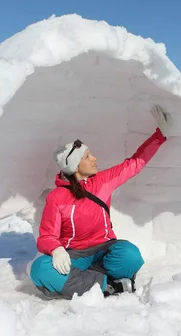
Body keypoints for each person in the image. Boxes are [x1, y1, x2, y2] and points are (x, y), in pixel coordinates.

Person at [30, 105, 172, 299]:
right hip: (75, 257)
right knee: (40, 269)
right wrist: (55, 250)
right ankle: (108, 285)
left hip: (104, 251)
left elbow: (135, 163)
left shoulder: (103, 181)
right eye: (87, 157)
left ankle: (85, 283)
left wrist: (160, 136)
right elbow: (47, 236)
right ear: (75, 166)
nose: (94, 159)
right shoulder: (57, 197)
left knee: (130, 255)